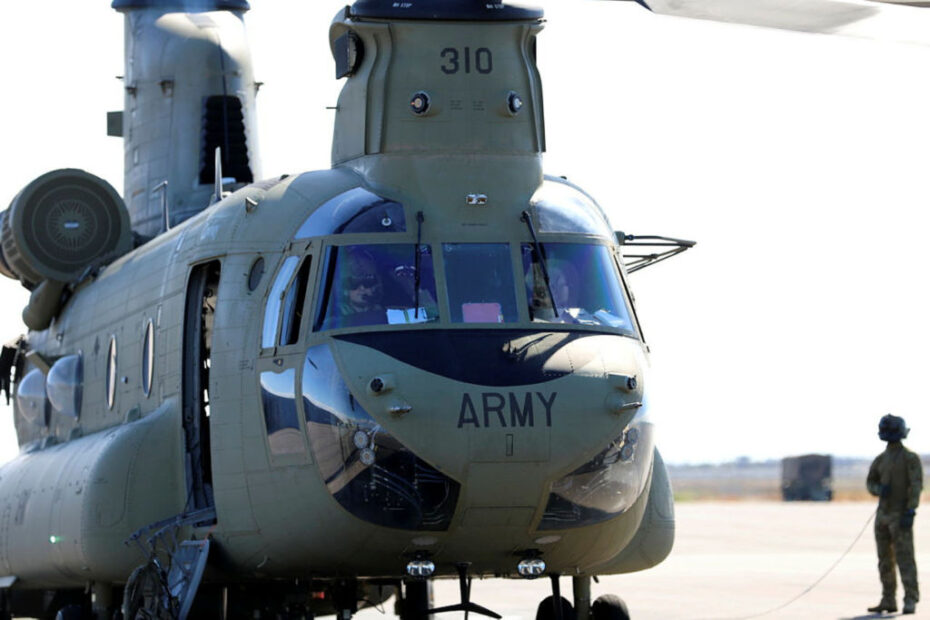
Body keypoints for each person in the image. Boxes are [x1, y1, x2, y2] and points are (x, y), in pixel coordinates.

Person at [866, 414, 923, 615]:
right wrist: (879, 489)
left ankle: (910, 599)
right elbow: (870, 482)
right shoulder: (881, 460)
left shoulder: (910, 459)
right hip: (883, 516)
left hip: (900, 516)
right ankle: (888, 599)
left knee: (905, 559)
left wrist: (911, 509)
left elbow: (916, 486)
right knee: (884, 560)